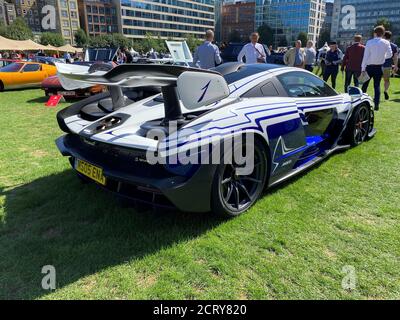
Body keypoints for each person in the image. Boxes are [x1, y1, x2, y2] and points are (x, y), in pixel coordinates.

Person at [361, 25, 392, 110]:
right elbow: (390, 54)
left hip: (369, 67)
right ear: (383, 34)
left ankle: (361, 102)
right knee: (377, 86)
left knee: (365, 85)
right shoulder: (386, 42)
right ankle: (377, 105)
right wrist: (382, 57)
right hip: (379, 67)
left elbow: (365, 56)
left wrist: (363, 68)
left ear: (375, 33)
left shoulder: (369, 42)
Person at [382, 31, 399, 100]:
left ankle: (377, 94)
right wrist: (395, 66)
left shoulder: (380, 44)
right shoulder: (394, 46)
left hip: (378, 65)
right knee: (386, 80)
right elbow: (395, 57)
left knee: (376, 80)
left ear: (384, 36)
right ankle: (385, 91)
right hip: (387, 65)